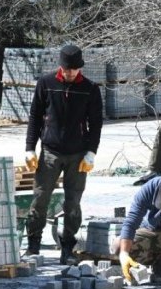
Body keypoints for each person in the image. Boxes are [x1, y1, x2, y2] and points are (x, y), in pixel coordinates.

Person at [22, 44, 104, 265]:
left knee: (72, 203)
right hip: (50, 151)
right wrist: (30, 148)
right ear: (61, 66)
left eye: (74, 70)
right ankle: (33, 245)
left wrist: (91, 152)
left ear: (80, 68)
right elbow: (35, 117)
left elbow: (96, 124)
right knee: (40, 198)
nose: (70, 73)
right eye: (67, 69)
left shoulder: (90, 89)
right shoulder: (46, 84)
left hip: (78, 155)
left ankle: (68, 248)